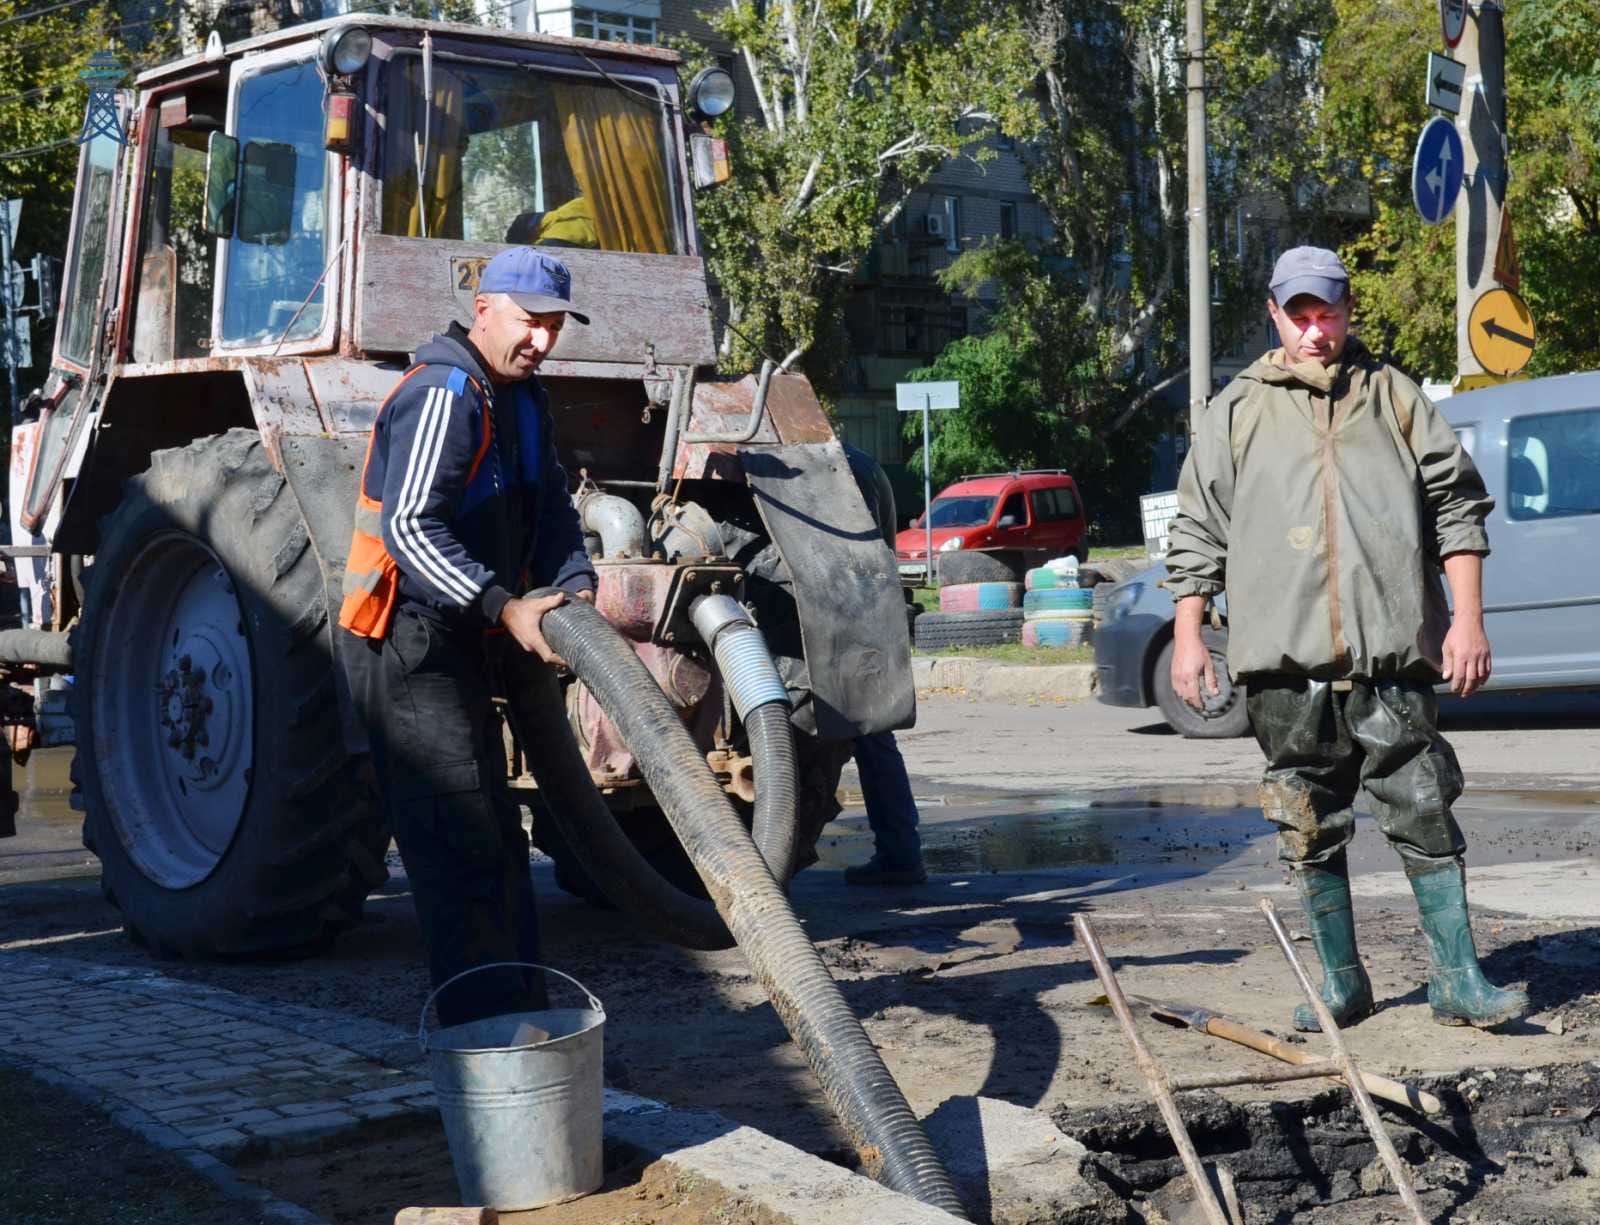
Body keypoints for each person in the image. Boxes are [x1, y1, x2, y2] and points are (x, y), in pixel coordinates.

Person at [1164, 246, 1528, 1032]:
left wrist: (1467, 618)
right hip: (1283, 669)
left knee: (1425, 807)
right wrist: (1190, 638)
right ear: (1274, 314)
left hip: (1391, 657)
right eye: (1299, 314)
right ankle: (1342, 983)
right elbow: (1197, 530)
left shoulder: (1394, 398)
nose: (1315, 330)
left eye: (1327, 311)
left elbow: (1458, 510)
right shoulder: (1237, 410)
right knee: (1306, 822)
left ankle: (1458, 980)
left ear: (1348, 309)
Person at [338, 247, 598, 1029]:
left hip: (465, 637)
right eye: (529, 322)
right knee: (462, 848)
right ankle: (490, 1053)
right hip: (408, 646)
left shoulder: (522, 397)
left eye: (554, 326)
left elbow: (549, 505)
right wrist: (503, 605)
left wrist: (577, 588)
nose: (543, 340)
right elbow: (410, 528)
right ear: (484, 309)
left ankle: (530, 1031)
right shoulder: (445, 392)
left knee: (498, 842)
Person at [838, 443, 927, 887]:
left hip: (850, 620)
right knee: (875, 741)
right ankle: (899, 851)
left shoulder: (841, 467)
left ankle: (900, 853)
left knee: (872, 741)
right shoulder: (862, 461)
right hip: (870, 615)